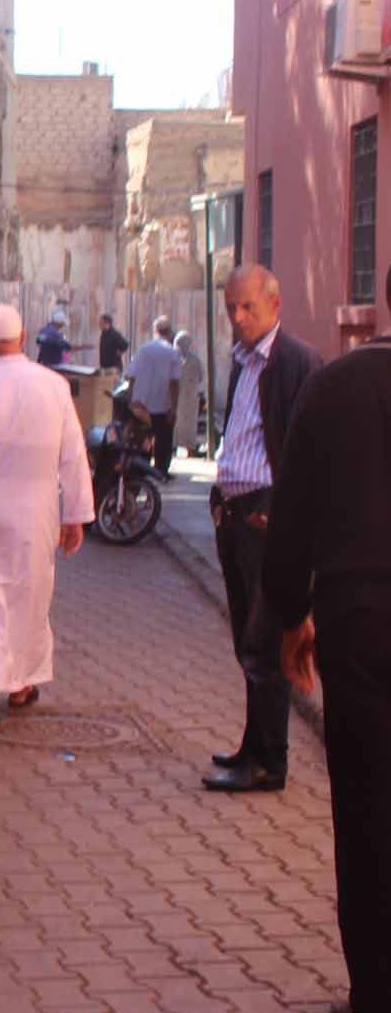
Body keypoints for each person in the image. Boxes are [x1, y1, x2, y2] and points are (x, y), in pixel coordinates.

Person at [263, 281, 391, 1013]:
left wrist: (291, 614)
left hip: (359, 619)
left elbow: (294, 514)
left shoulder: (334, 388)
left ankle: (377, 1001)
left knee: (368, 802)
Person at [0, 303, 94, 733]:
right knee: (29, 599)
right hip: (35, 515)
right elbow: (74, 455)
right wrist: (76, 515)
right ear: (24, 336)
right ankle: (19, 687)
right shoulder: (54, 387)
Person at [203, 263, 320, 794]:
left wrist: (288, 512)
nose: (237, 316)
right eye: (231, 307)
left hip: (266, 516)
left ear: (275, 304)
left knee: (267, 640)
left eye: (247, 307)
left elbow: (307, 445)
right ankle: (254, 745)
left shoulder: (296, 362)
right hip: (235, 514)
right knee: (247, 641)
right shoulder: (241, 360)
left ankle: (271, 761)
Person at [127, 317, 182, 477]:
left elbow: (132, 376)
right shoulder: (172, 353)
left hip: (141, 404)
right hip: (162, 404)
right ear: (169, 333)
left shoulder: (143, 350)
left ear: (155, 331)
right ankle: (161, 470)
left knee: (140, 438)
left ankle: (139, 469)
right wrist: (173, 408)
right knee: (163, 439)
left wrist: (131, 400)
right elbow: (174, 383)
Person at [174, 329, 205, 459]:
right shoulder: (195, 359)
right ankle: (190, 451)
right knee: (190, 425)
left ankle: (173, 450)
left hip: (176, 397)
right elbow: (201, 376)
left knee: (176, 424)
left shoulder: (173, 358)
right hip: (191, 398)